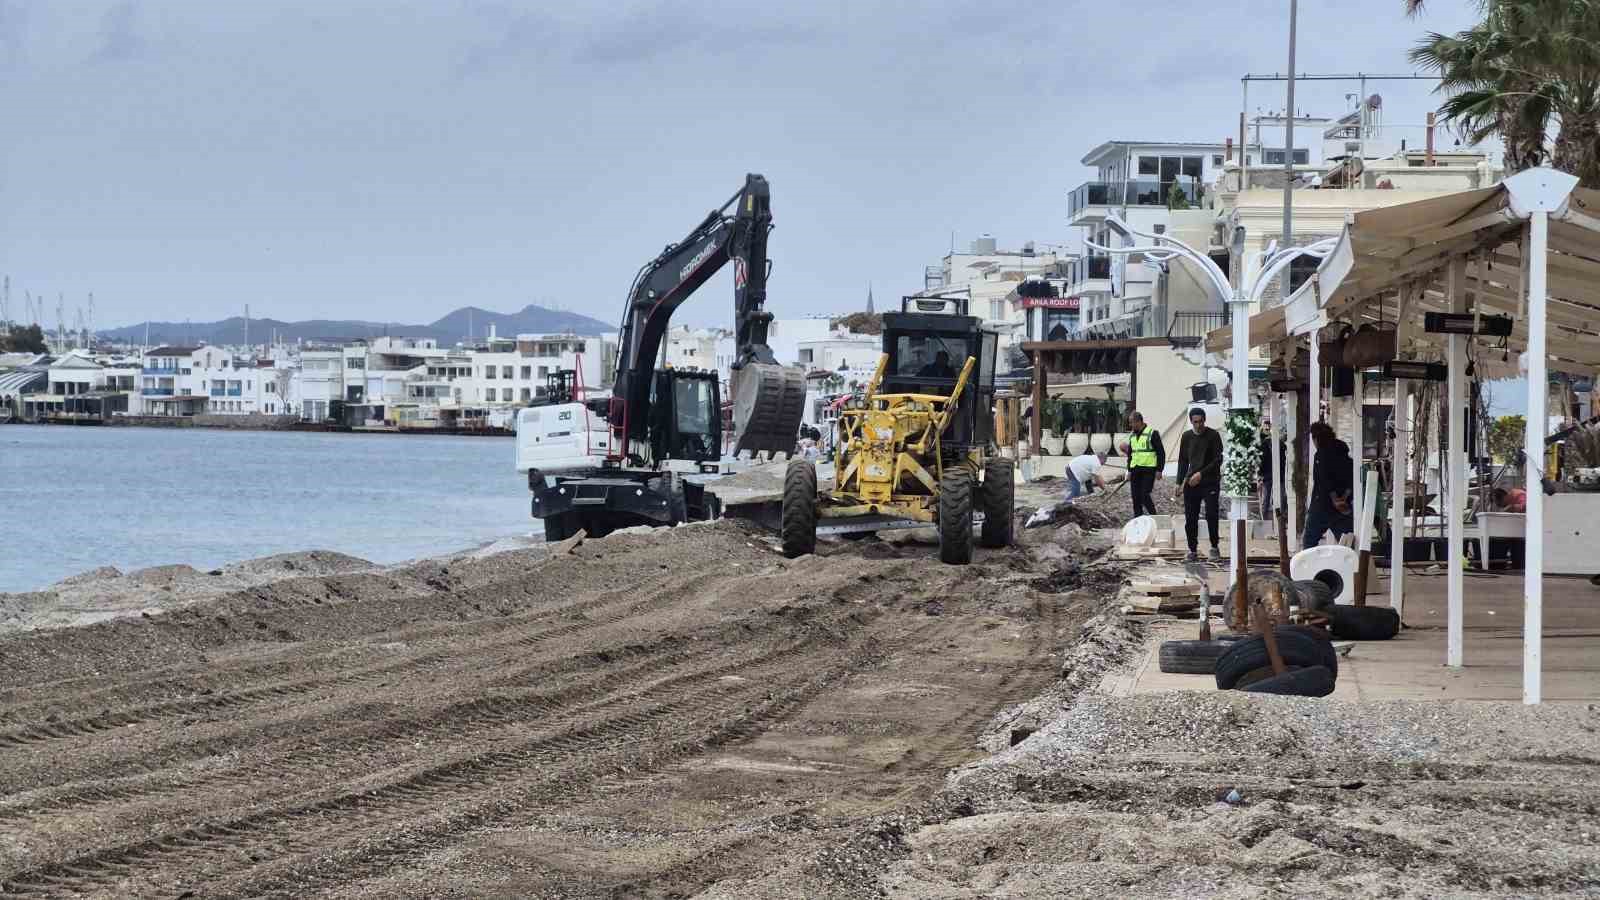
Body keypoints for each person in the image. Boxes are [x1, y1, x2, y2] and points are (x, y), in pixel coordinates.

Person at [1174, 407, 1223, 562]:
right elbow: (1183, 461)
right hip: (1191, 482)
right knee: (1191, 517)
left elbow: (1218, 460)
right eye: (1195, 422)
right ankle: (1192, 550)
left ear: (1204, 420)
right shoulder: (1186, 437)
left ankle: (1214, 547)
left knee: (1211, 514)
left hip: (1210, 481)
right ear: (1191, 422)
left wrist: (1201, 474)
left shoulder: (1213, 435)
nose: (1198, 425)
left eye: (1201, 421)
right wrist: (1178, 482)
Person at [1303, 421, 1355, 547]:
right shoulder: (1343, 453)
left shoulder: (1320, 455)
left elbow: (1323, 480)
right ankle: (1351, 565)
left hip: (1322, 504)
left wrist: (1334, 499)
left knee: (1309, 540)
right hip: (1342, 507)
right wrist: (1344, 498)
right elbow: (1351, 477)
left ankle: (1310, 566)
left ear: (1316, 438)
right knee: (1348, 542)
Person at [1123, 410, 1165, 518]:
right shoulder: (1132, 436)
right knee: (1135, 497)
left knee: (1144, 495)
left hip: (1148, 470)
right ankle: (1138, 520)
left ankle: (1155, 517)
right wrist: (1128, 471)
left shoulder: (1152, 433)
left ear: (1139, 422)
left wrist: (1159, 470)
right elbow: (1131, 455)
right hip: (1135, 470)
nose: (1130, 425)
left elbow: (1161, 453)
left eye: (1131, 422)